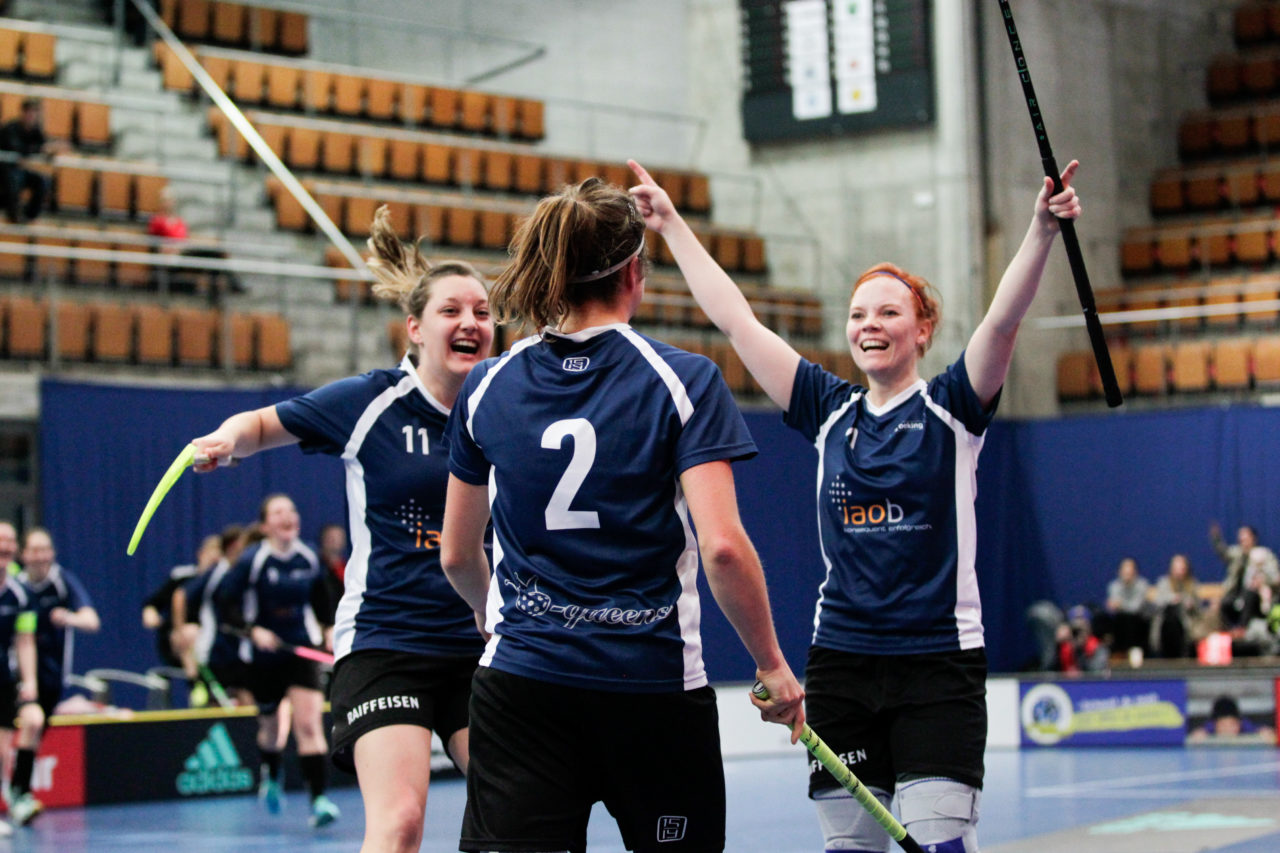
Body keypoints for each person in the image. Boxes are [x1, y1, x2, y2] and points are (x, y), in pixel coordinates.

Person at [629, 156, 1082, 853]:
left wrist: (1041, 232)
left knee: (940, 846)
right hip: (842, 665)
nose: (870, 324)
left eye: (889, 312)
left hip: (938, 667)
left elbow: (1001, 323)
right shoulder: (826, 410)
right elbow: (737, 320)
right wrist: (671, 225)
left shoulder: (953, 408)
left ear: (923, 330)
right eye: (858, 313)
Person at [439, 175, 804, 853]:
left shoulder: (485, 386)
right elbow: (722, 548)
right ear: (634, 270)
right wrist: (772, 665)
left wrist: (502, 621)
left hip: (523, 688)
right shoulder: (683, 379)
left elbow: (458, 553)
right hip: (652, 689)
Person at [190, 204, 495, 852]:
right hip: (387, 642)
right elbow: (264, 424)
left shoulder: (507, 409)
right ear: (414, 327)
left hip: (482, 646)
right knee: (401, 820)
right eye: (452, 310)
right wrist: (227, 439)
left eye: (483, 312)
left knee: (516, 814)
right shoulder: (371, 401)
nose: (471, 322)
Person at [212, 494, 337, 829]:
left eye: (292, 510)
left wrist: (328, 628)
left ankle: (319, 800)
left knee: (309, 725)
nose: (288, 517)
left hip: (300, 650)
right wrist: (252, 632)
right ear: (266, 525)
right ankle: (271, 771)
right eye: (278, 513)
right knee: (270, 730)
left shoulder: (309, 557)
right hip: (262, 657)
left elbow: (322, 598)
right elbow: (225, 605)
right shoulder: (253, 561)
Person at [10, 528, 99, 827]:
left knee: (33, 732)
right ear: (24, 555)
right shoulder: (16, 588)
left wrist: (68, 617)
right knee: (23, 727)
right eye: (34, 550)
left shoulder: (62, 583)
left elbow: (91, 620)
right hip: (13, 677)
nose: (40, 556)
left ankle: (17, 793)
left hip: (50, 678)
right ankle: (18, 795)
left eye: (45, 549)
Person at [142, 534, 220, 669]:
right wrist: (150, 613)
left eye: (217, 562)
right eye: (211, 559)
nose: (212, 565)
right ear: (201, 554)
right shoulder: (182, 577)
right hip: (179, 636)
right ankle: (197, 685)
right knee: (191, 634)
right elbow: (154, 603)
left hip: (213, 635)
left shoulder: (224, 580)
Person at [0, 562, 37, 836]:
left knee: (2, 750)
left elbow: (24, 641)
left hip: (3, 681)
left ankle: (17, 797)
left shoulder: (19, 594)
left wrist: (29, 680)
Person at [0, 99, 68, 224]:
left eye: (35, 112)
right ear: (23, 113)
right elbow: (17, 148)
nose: (31, 116)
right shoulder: (11, 128)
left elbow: (44, 145)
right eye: (29, 112)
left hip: (19, 170)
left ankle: (30, 216)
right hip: (4, 171)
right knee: (14, 178)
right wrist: (42, 149)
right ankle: (13, 215)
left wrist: (53, 148)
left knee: (43, 181)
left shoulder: (35, 130)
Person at [1210, 522, 1279, 633]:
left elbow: (1276, 578)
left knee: (1249, 593)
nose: (1243, 542)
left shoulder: (1264, 555)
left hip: (1258, 599)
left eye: (1245, 539)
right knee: (1224, 603)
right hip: (1238, 597)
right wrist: (1216, 539)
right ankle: (1230, 632)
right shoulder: (1238, 554)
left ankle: (1243, 629)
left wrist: (1263, 580)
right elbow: (1224, 553)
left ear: (1253, 539)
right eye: (1241, 539)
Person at [1149, 554, 1203, 659]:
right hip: (1165, 624)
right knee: (1171, 615)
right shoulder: (1163, 583)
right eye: (1176, 569)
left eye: (1181, 569)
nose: (1179, 572)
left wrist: (1190, 605)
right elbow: (1157, 605)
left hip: (1186, 623)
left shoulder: (1192, 585)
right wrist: (1171, 600)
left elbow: (1198, 611)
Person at [1103, 557, 1152, 654]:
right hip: (1120, 622)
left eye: (1130, 573)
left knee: (1130, 619)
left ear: (1135, 573)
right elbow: (1113, 607)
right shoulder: (1114, 586)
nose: (1127, 576)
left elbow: (1136, 608)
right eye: (1125, 573)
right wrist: (1116, 606)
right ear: (1120, 572)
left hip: (1138, 622)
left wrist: (1120, 605)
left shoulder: (1142, 585)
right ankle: (1117, 653)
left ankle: (1135, 652)